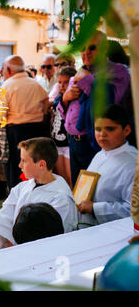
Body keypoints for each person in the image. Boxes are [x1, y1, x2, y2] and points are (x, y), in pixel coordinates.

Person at [57, 31, 131, 186]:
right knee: (79, 189)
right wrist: (65, 99)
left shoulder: (118, 71)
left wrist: (88, 79)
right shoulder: (79, 71)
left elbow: (110, 102)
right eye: (83, 48)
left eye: (92, 48)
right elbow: (66, 112)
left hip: (97, 142)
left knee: (97, 190)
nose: (86, 53)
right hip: (74, 142)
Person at [0, 137, 78, 249]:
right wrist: (9, 243)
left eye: (24, 161)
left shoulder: (60, 198)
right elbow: (5, 216)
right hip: (13, 248)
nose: (20, 165)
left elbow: (53, 235)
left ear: (41, 165)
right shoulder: (22, 188)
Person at [77, 104, 137, 226]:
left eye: (110, 129)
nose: (102, 134)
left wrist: (95, 208)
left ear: (126, 130)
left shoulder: (133, 163)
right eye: (98, 129)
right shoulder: (100, 154)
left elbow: (133, 210)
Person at [1, 55, 50, 189]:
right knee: (35, 167)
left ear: (9, 70)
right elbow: (46, 106)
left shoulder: (7, 86)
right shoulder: (36, 84)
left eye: (3, 69)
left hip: (15, 133)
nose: (2, 72)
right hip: (37, 130)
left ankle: (18, 201)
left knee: (17, 169)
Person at [51, 67, 77, 188]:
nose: (62, 85)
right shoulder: (57, 99)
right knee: (62, 179)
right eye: (59, 82)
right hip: (57, 141)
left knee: (72, 178)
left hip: (68, 143)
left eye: (65, 82)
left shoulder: (75, 100)